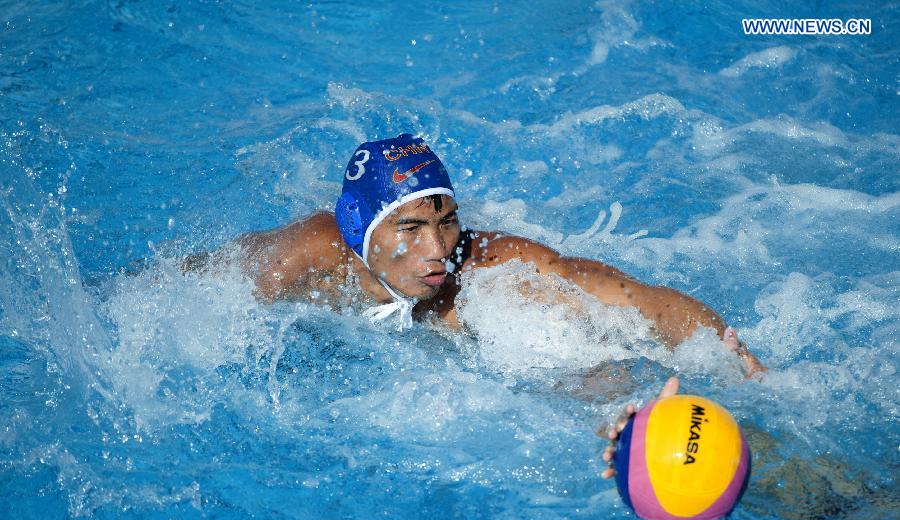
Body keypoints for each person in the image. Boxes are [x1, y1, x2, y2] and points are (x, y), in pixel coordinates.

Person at [202, 133, 765, 377]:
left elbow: (640, 301)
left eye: (446, 223)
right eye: (412, 228)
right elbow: (189, 290)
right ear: (360, 232)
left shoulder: (491, 271)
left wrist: (728, 353)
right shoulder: (303, 257)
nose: (437, 250)